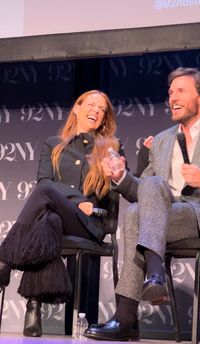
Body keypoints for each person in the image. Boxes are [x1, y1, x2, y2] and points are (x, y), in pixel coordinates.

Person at [84, 67, 200, 341]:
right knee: (141, 201)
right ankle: (153, 279)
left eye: (181, 91)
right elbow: (143, 191)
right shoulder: (163, 139)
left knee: (136, 214)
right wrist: (121, 177)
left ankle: (127, 315)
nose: (172, 98)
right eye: (170, 93)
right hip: (167, 215)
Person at [0, 90, 125, 337]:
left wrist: (88, 204)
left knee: (45, 196)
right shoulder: (53, 145)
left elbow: (114, 194)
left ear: (104, 118)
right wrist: (78, 199)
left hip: (90, 222)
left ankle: (4, 261)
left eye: (102, 109)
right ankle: (33, 307)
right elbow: (44, 180)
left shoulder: (111, 148)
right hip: (59, 220)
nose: (96, 111)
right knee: (48, 220)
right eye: (91, 105)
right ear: (77, 109)